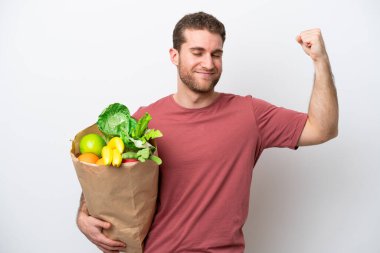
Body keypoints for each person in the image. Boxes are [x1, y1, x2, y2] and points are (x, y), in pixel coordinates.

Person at [76, 11, 338, 253]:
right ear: (174, 55)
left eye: (216, 54)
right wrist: (83, 213)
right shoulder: (145, 121)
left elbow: (322, 129)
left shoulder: (249, 114)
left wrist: (320, 60)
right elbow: (103, 170)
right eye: (197, 52)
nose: (208, 63)